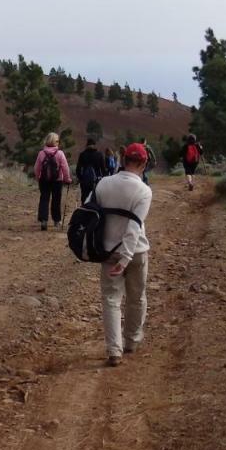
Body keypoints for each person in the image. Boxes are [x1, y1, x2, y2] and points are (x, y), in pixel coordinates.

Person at [93, 142, 153, 367]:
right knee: (137, 298)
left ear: (123, 159)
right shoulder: (144, 191)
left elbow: (91, 213)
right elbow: (134, 227)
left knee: (111, 300)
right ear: (144, 163)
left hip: (108, 252)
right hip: (136, 253)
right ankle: (132, 341)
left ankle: (114, 350)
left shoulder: (103, 184)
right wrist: (126, 257)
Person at [33, 132, 72, 230]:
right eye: (57, 141)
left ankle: (43, 220)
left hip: (44, 180)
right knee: (56, 200)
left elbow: (37, 168)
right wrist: (67, 179)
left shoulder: (41, 153)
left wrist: (38, 177)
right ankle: (56, 221)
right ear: (55, 142)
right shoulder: (60, 153)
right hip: (57, 180)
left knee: (44, 199)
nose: (58, 142)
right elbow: (65, 168)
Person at [76, 137, 106, 203]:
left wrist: (81, 178)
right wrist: (103, 179)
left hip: (85, 181)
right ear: (94, 145)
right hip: (97, 180)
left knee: (84, 198)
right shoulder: (99, 154)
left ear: (87, 145)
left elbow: (78, 169)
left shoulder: (82, 154)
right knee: (95, 198)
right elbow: (103, 169)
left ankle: (84, 211)